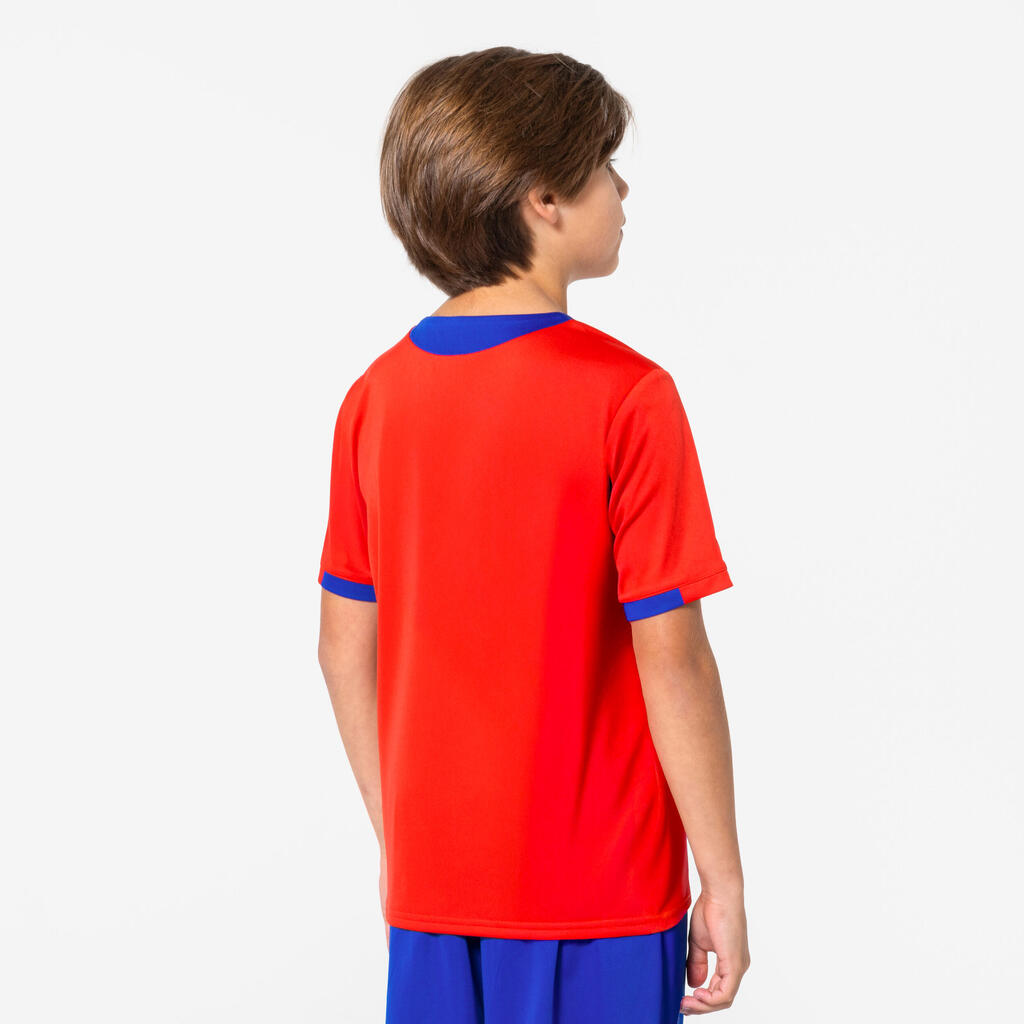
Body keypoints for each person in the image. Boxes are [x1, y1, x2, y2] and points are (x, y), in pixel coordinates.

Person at [316, 46, 750, 1022]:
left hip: (435, 892)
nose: (623, 189)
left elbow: (342, 646)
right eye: (604, 166)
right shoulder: (628, 397)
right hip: (600, 891)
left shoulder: (374, 399)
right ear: (542, 198)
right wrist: (720, 878)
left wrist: (402, 843)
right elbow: (672, 653)